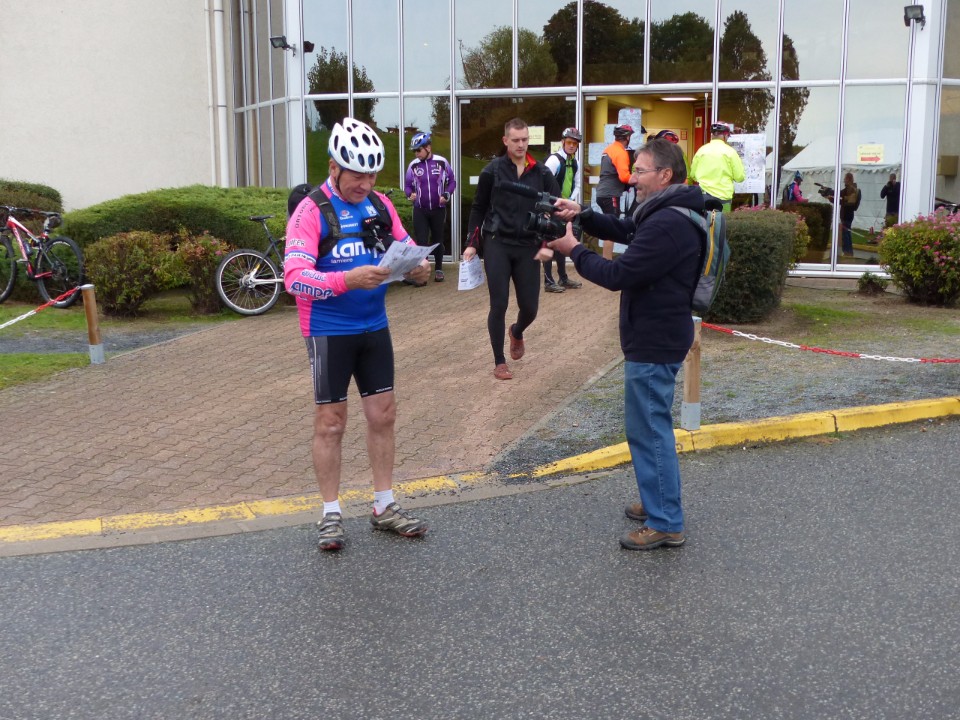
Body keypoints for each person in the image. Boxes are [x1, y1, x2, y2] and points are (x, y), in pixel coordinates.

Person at [547, 138, 703, 551]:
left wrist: (573, 250)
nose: (631, 178)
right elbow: (628, 230)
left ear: (665, 175)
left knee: (649, 432)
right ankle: (658, 502)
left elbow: (619, 275)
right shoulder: (666, 211)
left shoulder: (668, 224)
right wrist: (582, 215)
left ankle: (665, 521)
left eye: (640, 171)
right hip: (657, 335)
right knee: (648, 428)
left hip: (655, 340)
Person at [284, 117, 432, 551]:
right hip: (328, 330)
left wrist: (418, 269)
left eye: (372, 175)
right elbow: (295, 279)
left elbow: (406, 248)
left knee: (383, 414)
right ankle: (330, 512)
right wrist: (346, 280)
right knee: (331, 423)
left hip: (374, 326)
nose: (365, 184)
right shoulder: (311, 211)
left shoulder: (380, 205)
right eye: (356, 175)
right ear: (333, 168)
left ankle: (384, 505)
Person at [463, 117, 561, 381]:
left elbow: (556, 211)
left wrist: (547, 244)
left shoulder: (542, 173)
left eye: (524, 139)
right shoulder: (492, 171)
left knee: (530, 308)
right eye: (515, 140)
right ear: (505, 140)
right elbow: (478, 208)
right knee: (499, 304)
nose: (521, 144)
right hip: (498, 243)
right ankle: (499, 361)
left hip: (528, 246)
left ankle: (516, 331)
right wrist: (472, 243)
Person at [404, 131, 457, 283]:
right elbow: (407, 186)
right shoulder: (413, 165)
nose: (416, 154)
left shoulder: (441, 162)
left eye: (418, 150)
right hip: (420, 209)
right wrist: (410, 194)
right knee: (421, 241)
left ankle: (439, 269)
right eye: (414, 151)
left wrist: (447, 194)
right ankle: (422, 272)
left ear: (428, 147)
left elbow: (452, 181)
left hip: (438, 209)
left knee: (437, 239)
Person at [542, 127, 584, 293]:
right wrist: (547, 206)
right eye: (569, 142)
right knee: (548, 242)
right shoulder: (554, 160)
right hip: (551, 206)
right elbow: (543, 182)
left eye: (575, 143)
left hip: (564, 208)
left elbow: (578, 184)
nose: (572, 145)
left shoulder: (575, 162)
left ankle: (563, 277)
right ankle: (548, 281)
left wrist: (569, 202)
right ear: (563, 142)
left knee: (561, 240)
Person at [595, 124, 635, 259]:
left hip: (602, 193)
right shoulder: (620, 152)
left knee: (608, 225)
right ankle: (607, 261)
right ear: (627, 137)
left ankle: (606, 260)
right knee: (611, 228)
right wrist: (639, 179)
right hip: (610, 195)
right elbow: (624, 177)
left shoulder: (609, 149)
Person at [689, 122, 745, 212]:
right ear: (725, 135)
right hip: (724, 196)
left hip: (704, 195)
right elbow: (740, 177)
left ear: (712, 135)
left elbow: (692, 175)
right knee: (722, 220)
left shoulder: (701, 150)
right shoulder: (731, 152)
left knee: (703, 220)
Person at [838, 172, 861, 257]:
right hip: (849, 214)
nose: (844, 180)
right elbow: (842, 199)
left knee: (845, 234)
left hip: (847, 214)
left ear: (848, 179)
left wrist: (832, 196)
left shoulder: (850, 190)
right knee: (847, 233)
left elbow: (844, 201)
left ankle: (847, 252)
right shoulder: (851, 189)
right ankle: (849, 251)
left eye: (845, 178)